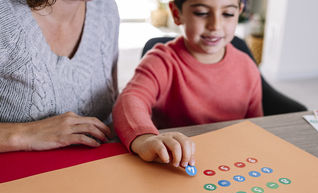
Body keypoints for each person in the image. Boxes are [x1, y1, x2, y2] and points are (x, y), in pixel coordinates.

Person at [113, 0, 262, 169]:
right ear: (177, 14)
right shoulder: (161, 61)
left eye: (228, 14)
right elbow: (130, 99)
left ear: (239, 13)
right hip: (175, 164)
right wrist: (145, 137)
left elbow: (257, 128)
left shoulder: (247, 67)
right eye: (201, 13)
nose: (215, 25)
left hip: (231, 163)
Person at [0, 0, 119, 152]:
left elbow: (114, 103)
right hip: (21, 173)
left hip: (99, 168)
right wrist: (25, 133)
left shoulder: (106, 8)